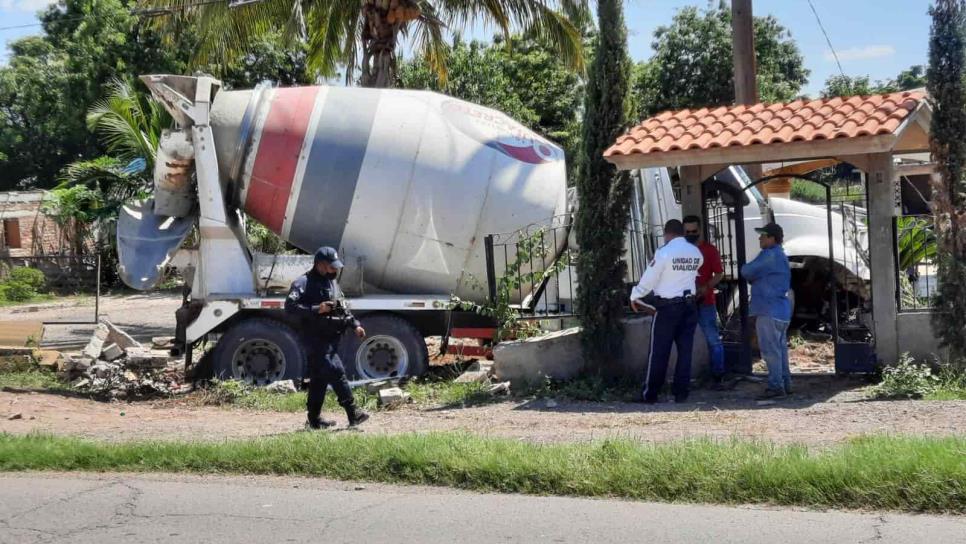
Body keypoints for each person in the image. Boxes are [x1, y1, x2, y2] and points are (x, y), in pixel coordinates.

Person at [285, 246, 370, 429]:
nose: (335, 270)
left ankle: (314, 420)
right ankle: (353, 413)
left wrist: (355, 325)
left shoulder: (332, 283)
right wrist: (317, 309)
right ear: (320, 265)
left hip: (331, 338)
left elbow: (343, 308)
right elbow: (289, 307)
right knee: (336, 371)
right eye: (332, 267)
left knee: (319, 379)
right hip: (314, 339)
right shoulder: (303, 282)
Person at [630, 219, 703, 404]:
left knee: (659, 352)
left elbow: (650, 278)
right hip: (689, 306)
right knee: (685, 352)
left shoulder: (664, 252)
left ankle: (650, 394)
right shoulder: (695, 252)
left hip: (668, 307)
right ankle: (681, 393)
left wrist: (635, 295)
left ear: (667, 234)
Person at [740, 223, 793, 400]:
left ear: (772, 238)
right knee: (780, 350)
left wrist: (754, 277)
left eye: (763, 235)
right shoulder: (780, 255)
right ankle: (786, 383)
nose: (760, 238)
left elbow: (746, 270)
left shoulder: (768, 255)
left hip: (768, 310)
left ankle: (776, 387)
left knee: (770, 351)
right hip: (781, 311)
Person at [682, 215, 726, 387]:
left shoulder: (710, 250)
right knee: (684, 341)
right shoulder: (680, 251)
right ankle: (686, 378)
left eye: (694, 231)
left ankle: (718, 376)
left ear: (699, 230)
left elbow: (719, 274)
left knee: (713, 339)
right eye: (687, 232)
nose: (691, 234)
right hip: (685, 302)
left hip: (705, 301)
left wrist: (705, 287)